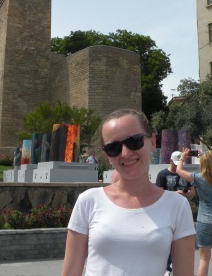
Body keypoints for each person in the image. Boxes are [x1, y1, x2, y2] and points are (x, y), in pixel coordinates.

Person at [62, 108, 196, 276]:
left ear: (152, 142)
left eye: (134, 141)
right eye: (113, 147)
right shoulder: (88, 201)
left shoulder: (177, 206)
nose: (125, 153)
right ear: (107, 155)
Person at [176, 148, 212, 276]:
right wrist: (205, 156)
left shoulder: (199, 178)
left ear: (202, 165)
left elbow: (179, 170)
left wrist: (182, 158)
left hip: (205, 220)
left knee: (204, 259)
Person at [155, 151, 196, 275]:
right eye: (176, 163)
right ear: (171, 161)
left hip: (182, 213)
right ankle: (166, 268)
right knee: (167, 242)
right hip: (166, 212)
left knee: (181, 245)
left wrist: (189, 194)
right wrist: (174, 194)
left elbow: (193, 192)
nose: (178, 166)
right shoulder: (162, 174)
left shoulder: (185, 174)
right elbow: (158, 195)